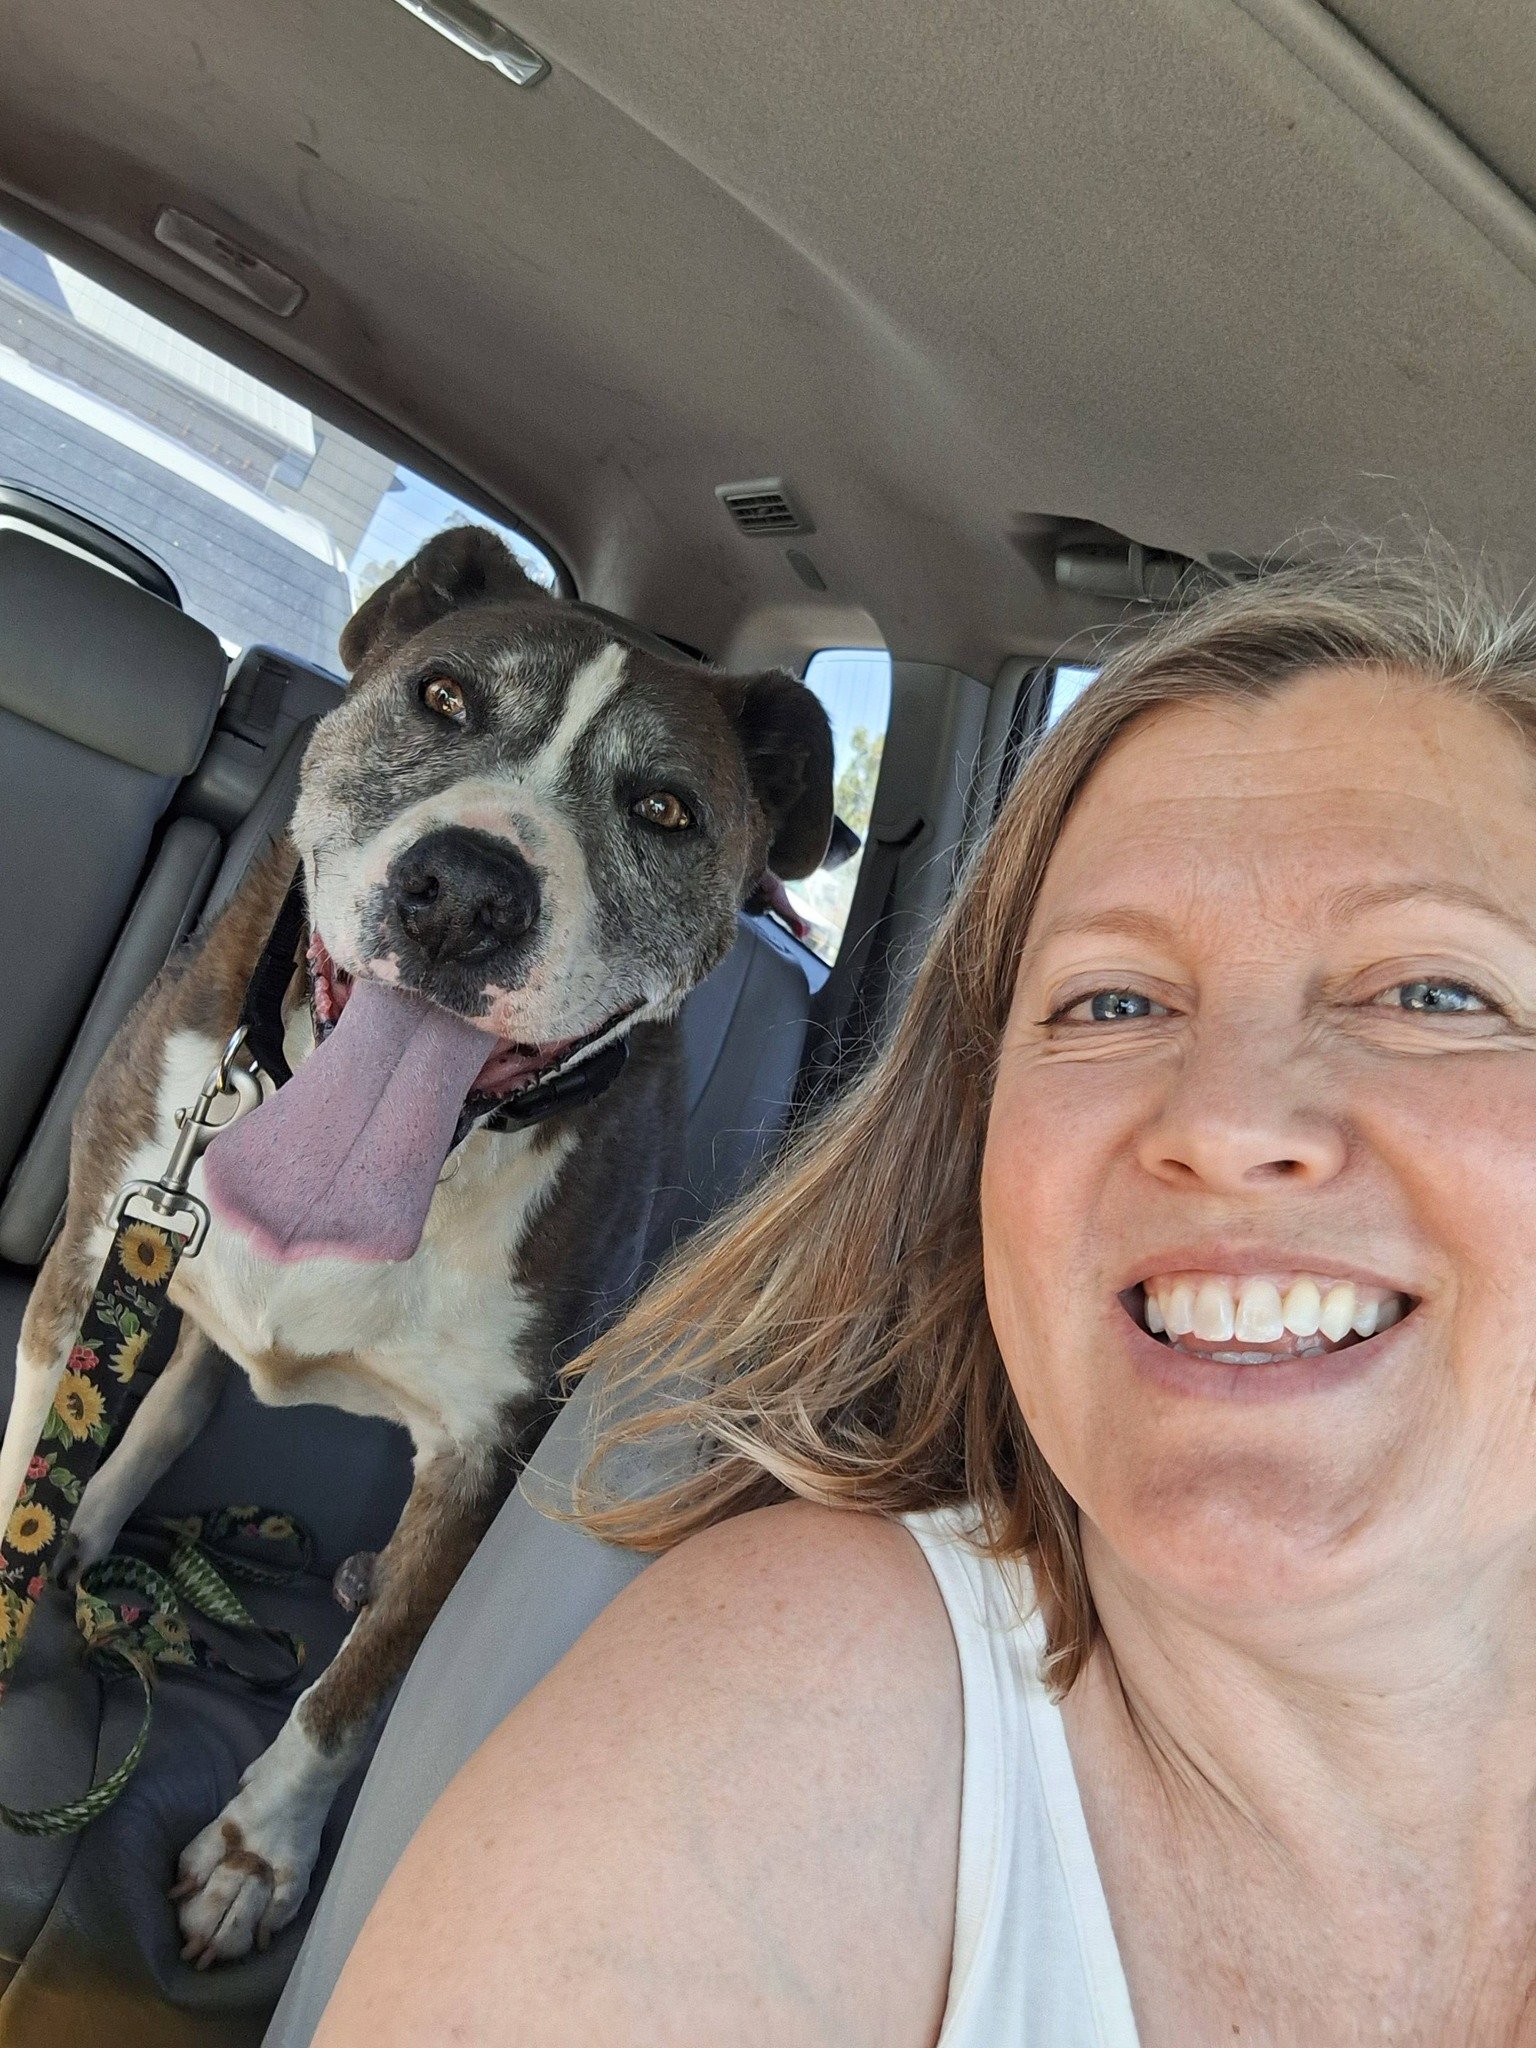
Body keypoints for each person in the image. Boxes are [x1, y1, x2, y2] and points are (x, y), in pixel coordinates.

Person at [316, 548, 1536, 2046]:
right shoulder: (788, 1719)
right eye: (1112, 1001)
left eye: (1434, 993)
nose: (1226, 1123)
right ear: (976, 1135)